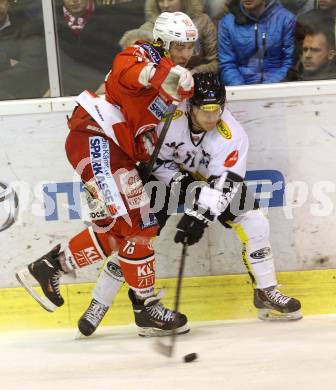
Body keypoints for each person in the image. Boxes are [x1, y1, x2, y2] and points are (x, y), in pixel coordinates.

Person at [77, 72, 302, 337]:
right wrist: (178, 181)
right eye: (204, 111)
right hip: (163, 178)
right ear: (190, 105)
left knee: (255, 222)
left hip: (208, 184)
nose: (211, 117)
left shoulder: (233, 135)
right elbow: (153, 158)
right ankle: (99, 302)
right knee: (134, 237)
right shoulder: (168, 118)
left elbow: (226, 181)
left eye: (216, 110)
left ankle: (266, 291)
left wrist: (200, 216)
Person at [16, 11, 198, 337]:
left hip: (114, 150)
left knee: (123, 229)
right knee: (138, 223)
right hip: (94, 140)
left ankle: (48, 267)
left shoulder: (170, 81)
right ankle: (146, 304)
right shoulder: (141, 54)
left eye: (190, 47)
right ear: (164, 42)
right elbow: (132, 73)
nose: (186, 53)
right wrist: (168, 74)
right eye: (180, 45)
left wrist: (143, 156)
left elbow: (142, 123)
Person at [54, 0, 145, 96]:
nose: (74, 1)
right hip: (66, 91)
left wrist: (109, 83)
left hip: (106, 89)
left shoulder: (112, 16)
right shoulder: (50, 19)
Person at [217, 0, 296, 86]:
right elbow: (227, 64)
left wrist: (268, 87)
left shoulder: (286, 19)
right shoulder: (228, 23)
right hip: (241, 88)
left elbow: (290, 62)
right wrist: (241, 89)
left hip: (278, 85)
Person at [136, 0, 218, 73]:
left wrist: (194, 73)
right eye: (160, 1)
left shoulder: (203, 22)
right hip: (161, 84)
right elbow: (138, 67)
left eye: (171, 0)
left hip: (198, 82)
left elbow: (216, 62)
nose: (165, 5)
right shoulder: (147, 29)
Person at [0, 0, 48, 100]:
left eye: (1, 1)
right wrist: (7, 61)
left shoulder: (27, 27)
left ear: (8, 4)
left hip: (19, 99)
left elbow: (32, 66)